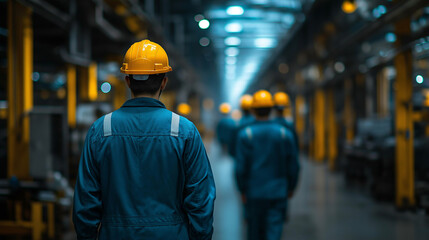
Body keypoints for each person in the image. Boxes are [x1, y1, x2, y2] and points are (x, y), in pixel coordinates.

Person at [73, 39, 216, 240]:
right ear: (164, 82)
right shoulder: (183, 131)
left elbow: (86, 199)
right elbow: (200, 198)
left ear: (128, 81)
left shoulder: (101, 130)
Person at [235, 90, 300, 240]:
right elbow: (293, 165)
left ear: (253, 109)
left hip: (253, 193)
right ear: (271, 109)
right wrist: (291, 187)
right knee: (274, 231)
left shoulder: (246, 134)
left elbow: (240, 168)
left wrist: (242, 190)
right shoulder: (285, 134)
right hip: (278, 192)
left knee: (254, 232)